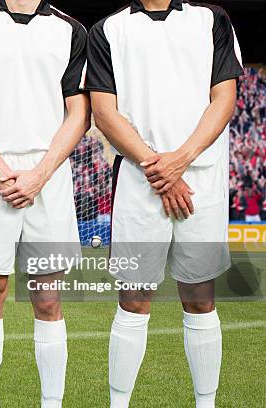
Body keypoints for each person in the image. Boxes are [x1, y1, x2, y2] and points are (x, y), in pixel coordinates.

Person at [85, 0, 243, 407]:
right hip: (141, 181)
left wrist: (182, 159)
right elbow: (104, 112)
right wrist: (159, 166)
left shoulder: (212, 20)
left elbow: (224, 99)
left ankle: (205, 403)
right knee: (133, 298)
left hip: (200, 178)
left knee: (200, 297)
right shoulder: (108, 29)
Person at [0, 0, 90, 406]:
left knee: (47, 298)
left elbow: (79, 113)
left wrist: (40, 174)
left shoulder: (70, 29)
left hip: (49, 174)